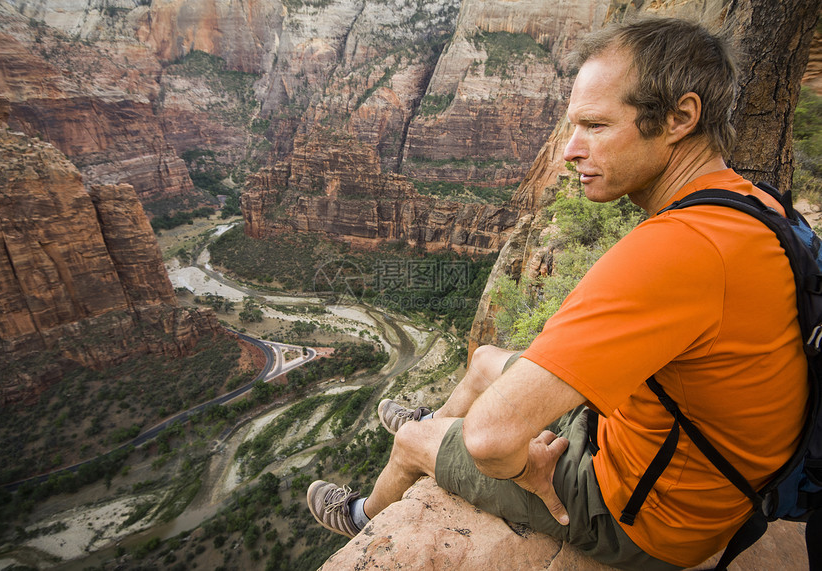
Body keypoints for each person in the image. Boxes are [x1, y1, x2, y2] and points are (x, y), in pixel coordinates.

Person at [306, 16, 808, 570]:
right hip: (690, 454)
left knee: (417, 444)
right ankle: (433, 417)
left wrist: (527, 470)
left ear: (680, 117)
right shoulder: (755, 205)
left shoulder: (675, 253)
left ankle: (363, 515)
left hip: (654, 519)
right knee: (484, 361)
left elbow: (494, 440)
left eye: (594, 125)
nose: (570, 150)